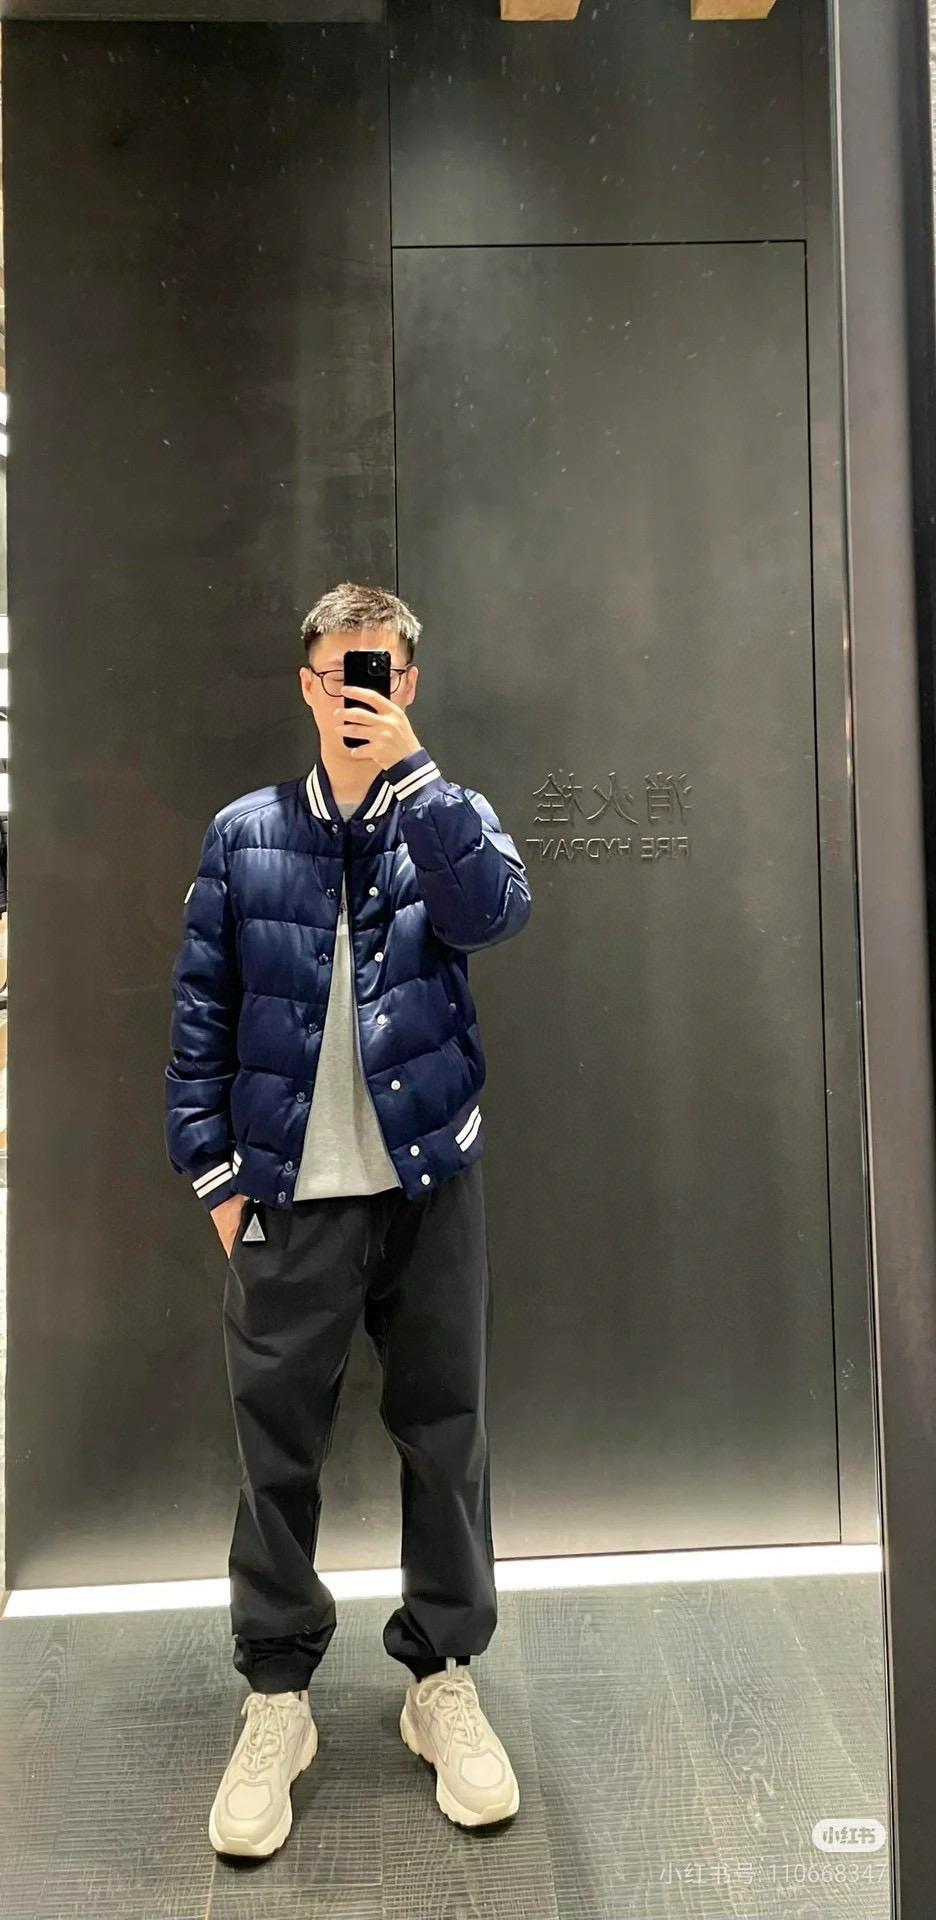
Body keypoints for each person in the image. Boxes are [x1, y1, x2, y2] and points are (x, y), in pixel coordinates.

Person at [164, 581, 532, 1859]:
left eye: (374, 672)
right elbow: (200, 1014)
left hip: (430, 1187)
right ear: (306, 686)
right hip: (286, 1199)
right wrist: (217, 1182)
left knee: (449, 1436)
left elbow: (496, 913)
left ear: (407, 685)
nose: (352, 693)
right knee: (276, 1455)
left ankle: (441, 1678)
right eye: (334, 673)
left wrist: (419, 780)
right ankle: (277, 1697)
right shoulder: (245, 834)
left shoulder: (447, 816)